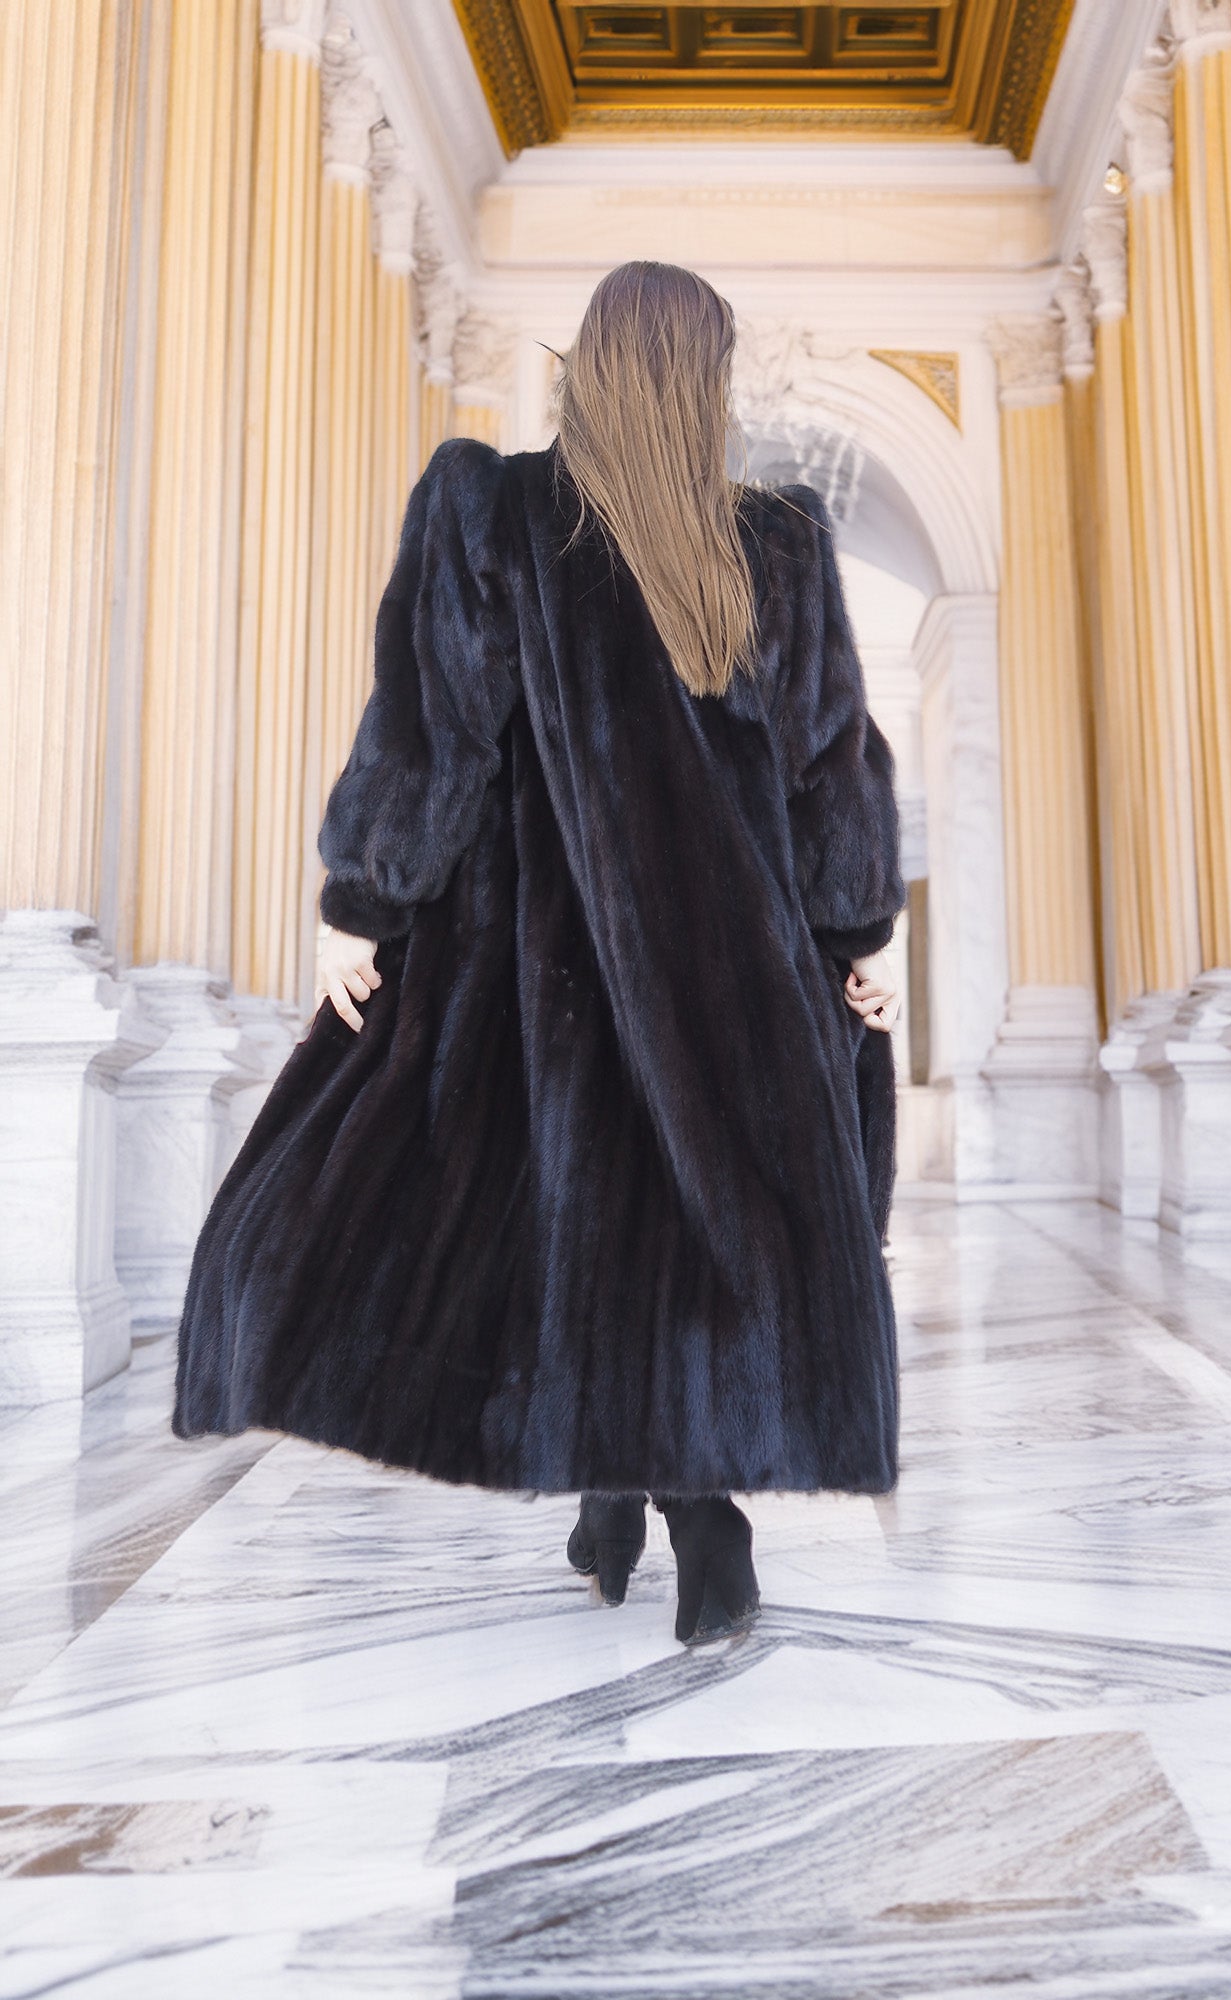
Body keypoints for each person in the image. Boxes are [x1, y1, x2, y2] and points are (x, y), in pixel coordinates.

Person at [173, 260, 905, 1647]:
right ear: (705, 384)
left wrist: (367, 898)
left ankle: (625, 1499)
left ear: (589, 366)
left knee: (563, 1222)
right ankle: (684, 1519)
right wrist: (853, 931)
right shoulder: (782, 546)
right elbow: (834, 768)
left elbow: (432, 724)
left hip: (539, 972)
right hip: (731, 975)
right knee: (693, 1239)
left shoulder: (489, 514)